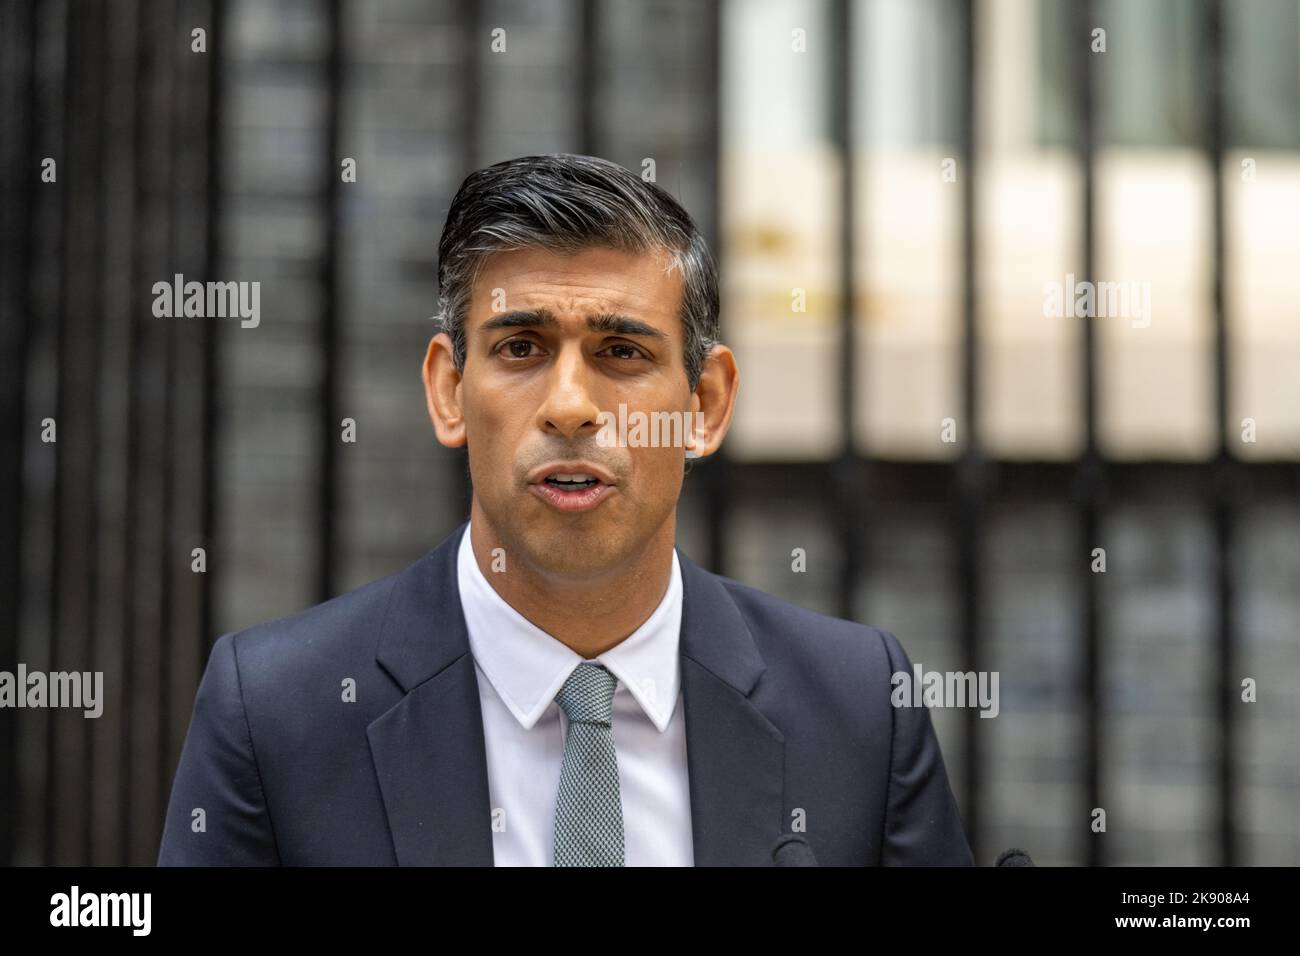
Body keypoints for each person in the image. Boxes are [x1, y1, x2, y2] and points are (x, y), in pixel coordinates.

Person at [158, 153, 974, 866]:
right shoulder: (277, 710)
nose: (572, 407)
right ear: (448, 390)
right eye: (521, 347)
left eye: (622, 351)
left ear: (705, 404)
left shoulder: (861, 706)